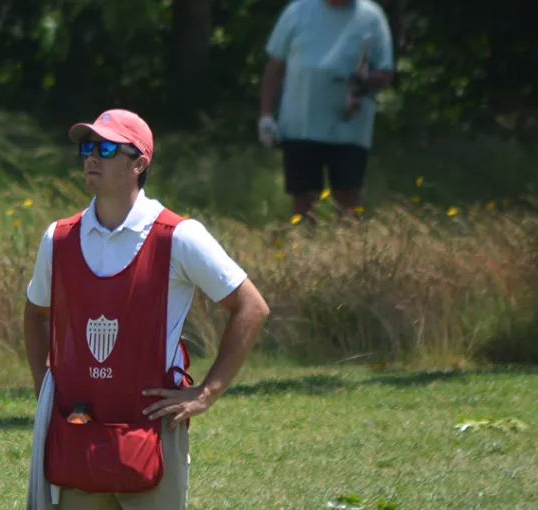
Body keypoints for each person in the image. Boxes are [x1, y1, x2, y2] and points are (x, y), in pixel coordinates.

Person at [24, 109, 271, 510]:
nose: (92, 157)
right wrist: (44, 391)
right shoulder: (59, 237)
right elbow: (35, 314)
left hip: (152, 431)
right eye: (88, 147)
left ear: (139, 163)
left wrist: (206, 393)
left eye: (106, 148)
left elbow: (251, 307)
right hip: (78, 430)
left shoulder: (178, 236)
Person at [257, 0, 395, 225]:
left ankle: (350, 252)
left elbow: (385, 72)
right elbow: (274, 67)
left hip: (349, 129)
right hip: (301, 125)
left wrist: (363, 81)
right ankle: (302, 251)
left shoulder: (371, 16)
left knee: (348, 197)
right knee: (302, 197)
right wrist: (266, 116)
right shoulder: (298, 11)